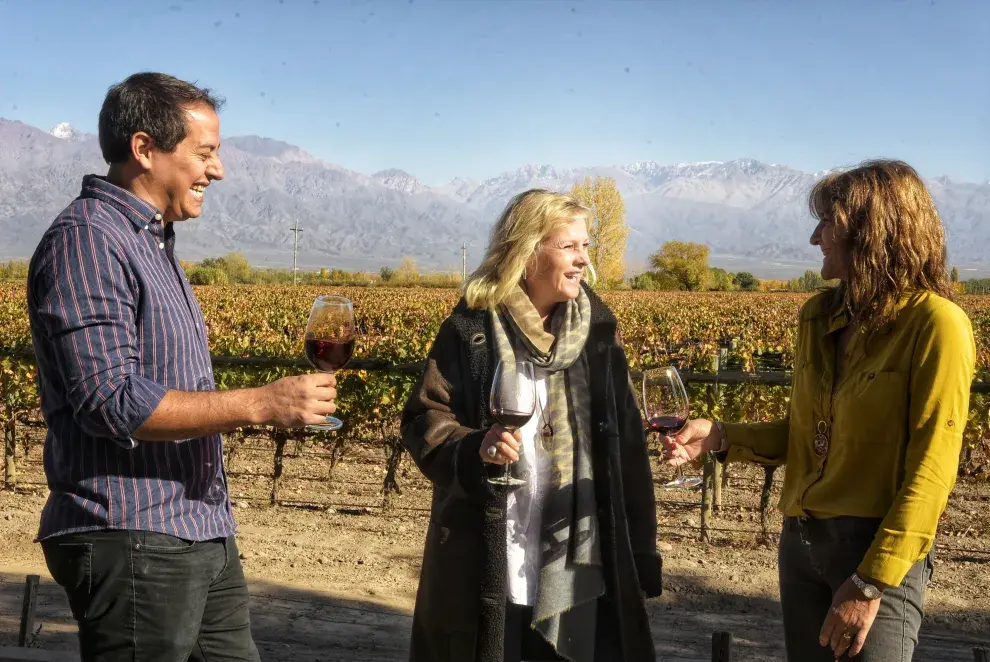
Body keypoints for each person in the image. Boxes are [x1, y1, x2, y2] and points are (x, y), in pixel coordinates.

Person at [26, 72, 338, 661]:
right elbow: (110, 398)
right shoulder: (90, 241)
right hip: (133, 531)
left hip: (197, 525)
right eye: (205, 154)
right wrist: (262, 403)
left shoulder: (150, 241)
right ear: (144, 150)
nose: (216, 171)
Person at [664, 160, 975, 661]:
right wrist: (720, 436)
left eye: (828, 221)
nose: (815, 238)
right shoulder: (818, 316)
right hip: (801, 544)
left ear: (872, 231)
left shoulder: (937, 325)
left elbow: (933, 471)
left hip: (875, 552)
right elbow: (806, 434)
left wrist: (870, 582)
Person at [400, 189, 663, 662]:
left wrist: (642, 551)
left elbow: (628, 454)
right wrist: (474, 447)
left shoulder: (598, 335)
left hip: (579, 555)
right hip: (490, 554)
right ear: (526, 251)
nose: (584, 259)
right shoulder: (471, 330)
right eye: (569, 246)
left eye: (586, 246)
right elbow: (425, 419)